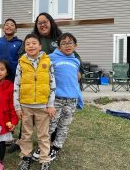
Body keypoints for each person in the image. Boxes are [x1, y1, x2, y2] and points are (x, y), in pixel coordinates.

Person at [8, 12, 82, 153]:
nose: (42, 24)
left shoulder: (60, 38)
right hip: (31, 83)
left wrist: (80, 71)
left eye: (45, 21)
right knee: (27, 115)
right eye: (39, 22)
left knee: (51, 116)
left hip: (53, 86)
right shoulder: (33, 39)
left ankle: (51, 143)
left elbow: (74, 55)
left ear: (51, 22)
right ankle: (21, 141)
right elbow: (22, 54)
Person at [14, 34, 56, 170]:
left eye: (34, 43)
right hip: (25, 106)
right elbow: (16, 86)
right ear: (25, 47)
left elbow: (52, 84)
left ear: (40, 46)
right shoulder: (21, 63)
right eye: (27, 44)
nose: (31, 46)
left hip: (43, 107)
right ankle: (25, 158)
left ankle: (44, 161)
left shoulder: (47, 62)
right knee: (26, 134)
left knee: (43, 135)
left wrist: (50, 104)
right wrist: (17, 106)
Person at [47, 33, 83, 161]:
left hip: (71, 100)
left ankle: (56, 148)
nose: (67, 45)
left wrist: (79, 97)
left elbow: (75, 79)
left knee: (64, 125)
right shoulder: (50, 58)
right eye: (64, 43)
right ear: (59, 46)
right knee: (50, 124)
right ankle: (44, 146)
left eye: (70, 43)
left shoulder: (76, 61)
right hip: (56, 98)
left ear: (75, 45)